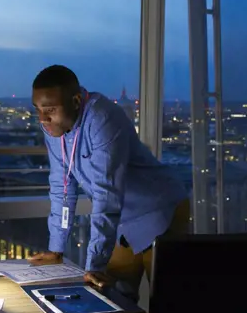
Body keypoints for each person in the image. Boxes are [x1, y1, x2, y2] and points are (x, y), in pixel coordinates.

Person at [28, 65, 189, 300]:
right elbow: (62, 188)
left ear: (75, 101)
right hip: (123, 222)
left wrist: (94, 265)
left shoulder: (102, 119)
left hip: (158, 212)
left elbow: (107, 194)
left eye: (50, 110)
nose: (43, 119)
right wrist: (56, 248)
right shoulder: (55, 127)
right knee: (112, 299)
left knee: (167, 306)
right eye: (38, 110)